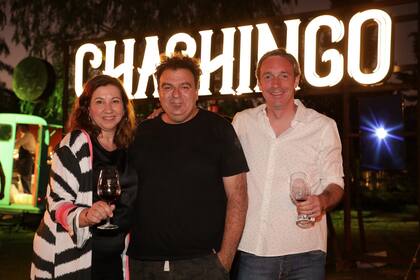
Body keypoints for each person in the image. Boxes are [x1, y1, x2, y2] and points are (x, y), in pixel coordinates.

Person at [127, 53, 249, 280]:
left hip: (203, 265)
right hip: (144, 264)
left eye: (184, 87)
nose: (175, 96)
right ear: (158, 91)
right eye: (167, 87)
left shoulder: (219, 130)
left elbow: (238, 197)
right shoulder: (141, 134)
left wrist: (224, 260)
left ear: (196, 90)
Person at [233, 48, 344, 280]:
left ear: (296, 80)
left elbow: (335, 183)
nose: (276, 84)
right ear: (259, 83)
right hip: (255, 251)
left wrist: (321, 201)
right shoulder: (242, 123)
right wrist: (163, 117)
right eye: (268, 76)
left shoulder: (323, 126)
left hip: (306, 252)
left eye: (284, 75)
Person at [31, 75, 137, 280]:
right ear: (87, 109)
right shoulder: (74, 143)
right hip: (75, 255)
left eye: (115, 101)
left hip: (117, 255)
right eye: (100, 102)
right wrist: (85, 215)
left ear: (124, 108)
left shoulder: (129, 147)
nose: (109, 109)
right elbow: (57, 202)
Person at [15, 123, 36, 194]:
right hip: (26, 158)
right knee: (24, 177)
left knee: (25, 177)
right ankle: (26, 192)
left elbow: (18, 143)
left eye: (21, 127)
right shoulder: (26, 135)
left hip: (27, 158)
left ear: (25, 127)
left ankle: (27, 193)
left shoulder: (28, 135)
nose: (20, 129)